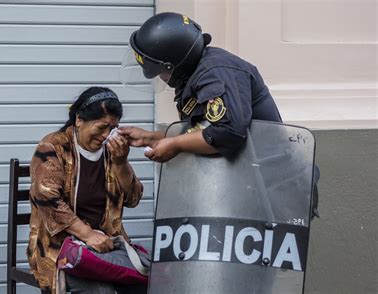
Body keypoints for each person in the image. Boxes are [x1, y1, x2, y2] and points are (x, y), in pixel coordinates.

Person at [119, 12, 319, 216]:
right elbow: (203, 130)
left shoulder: (217, 73)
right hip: (245, 184)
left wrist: (174, 145)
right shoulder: (196, 73)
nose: (160, 79)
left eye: (160, 72)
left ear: (174, 64)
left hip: (273, 188)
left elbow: (227, 132)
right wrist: (150, 137)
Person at [27, 86, 147, 293]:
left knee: (148, 282)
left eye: (113, 128)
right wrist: (87, 234)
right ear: (79, 119)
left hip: (105, 246)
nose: (106, 135)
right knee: (101, 290)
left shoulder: (112, 151)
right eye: (101, 127)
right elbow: (46, 198)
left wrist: (121, 163)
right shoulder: (53, 147)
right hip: (61, 248)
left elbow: (133, 199)